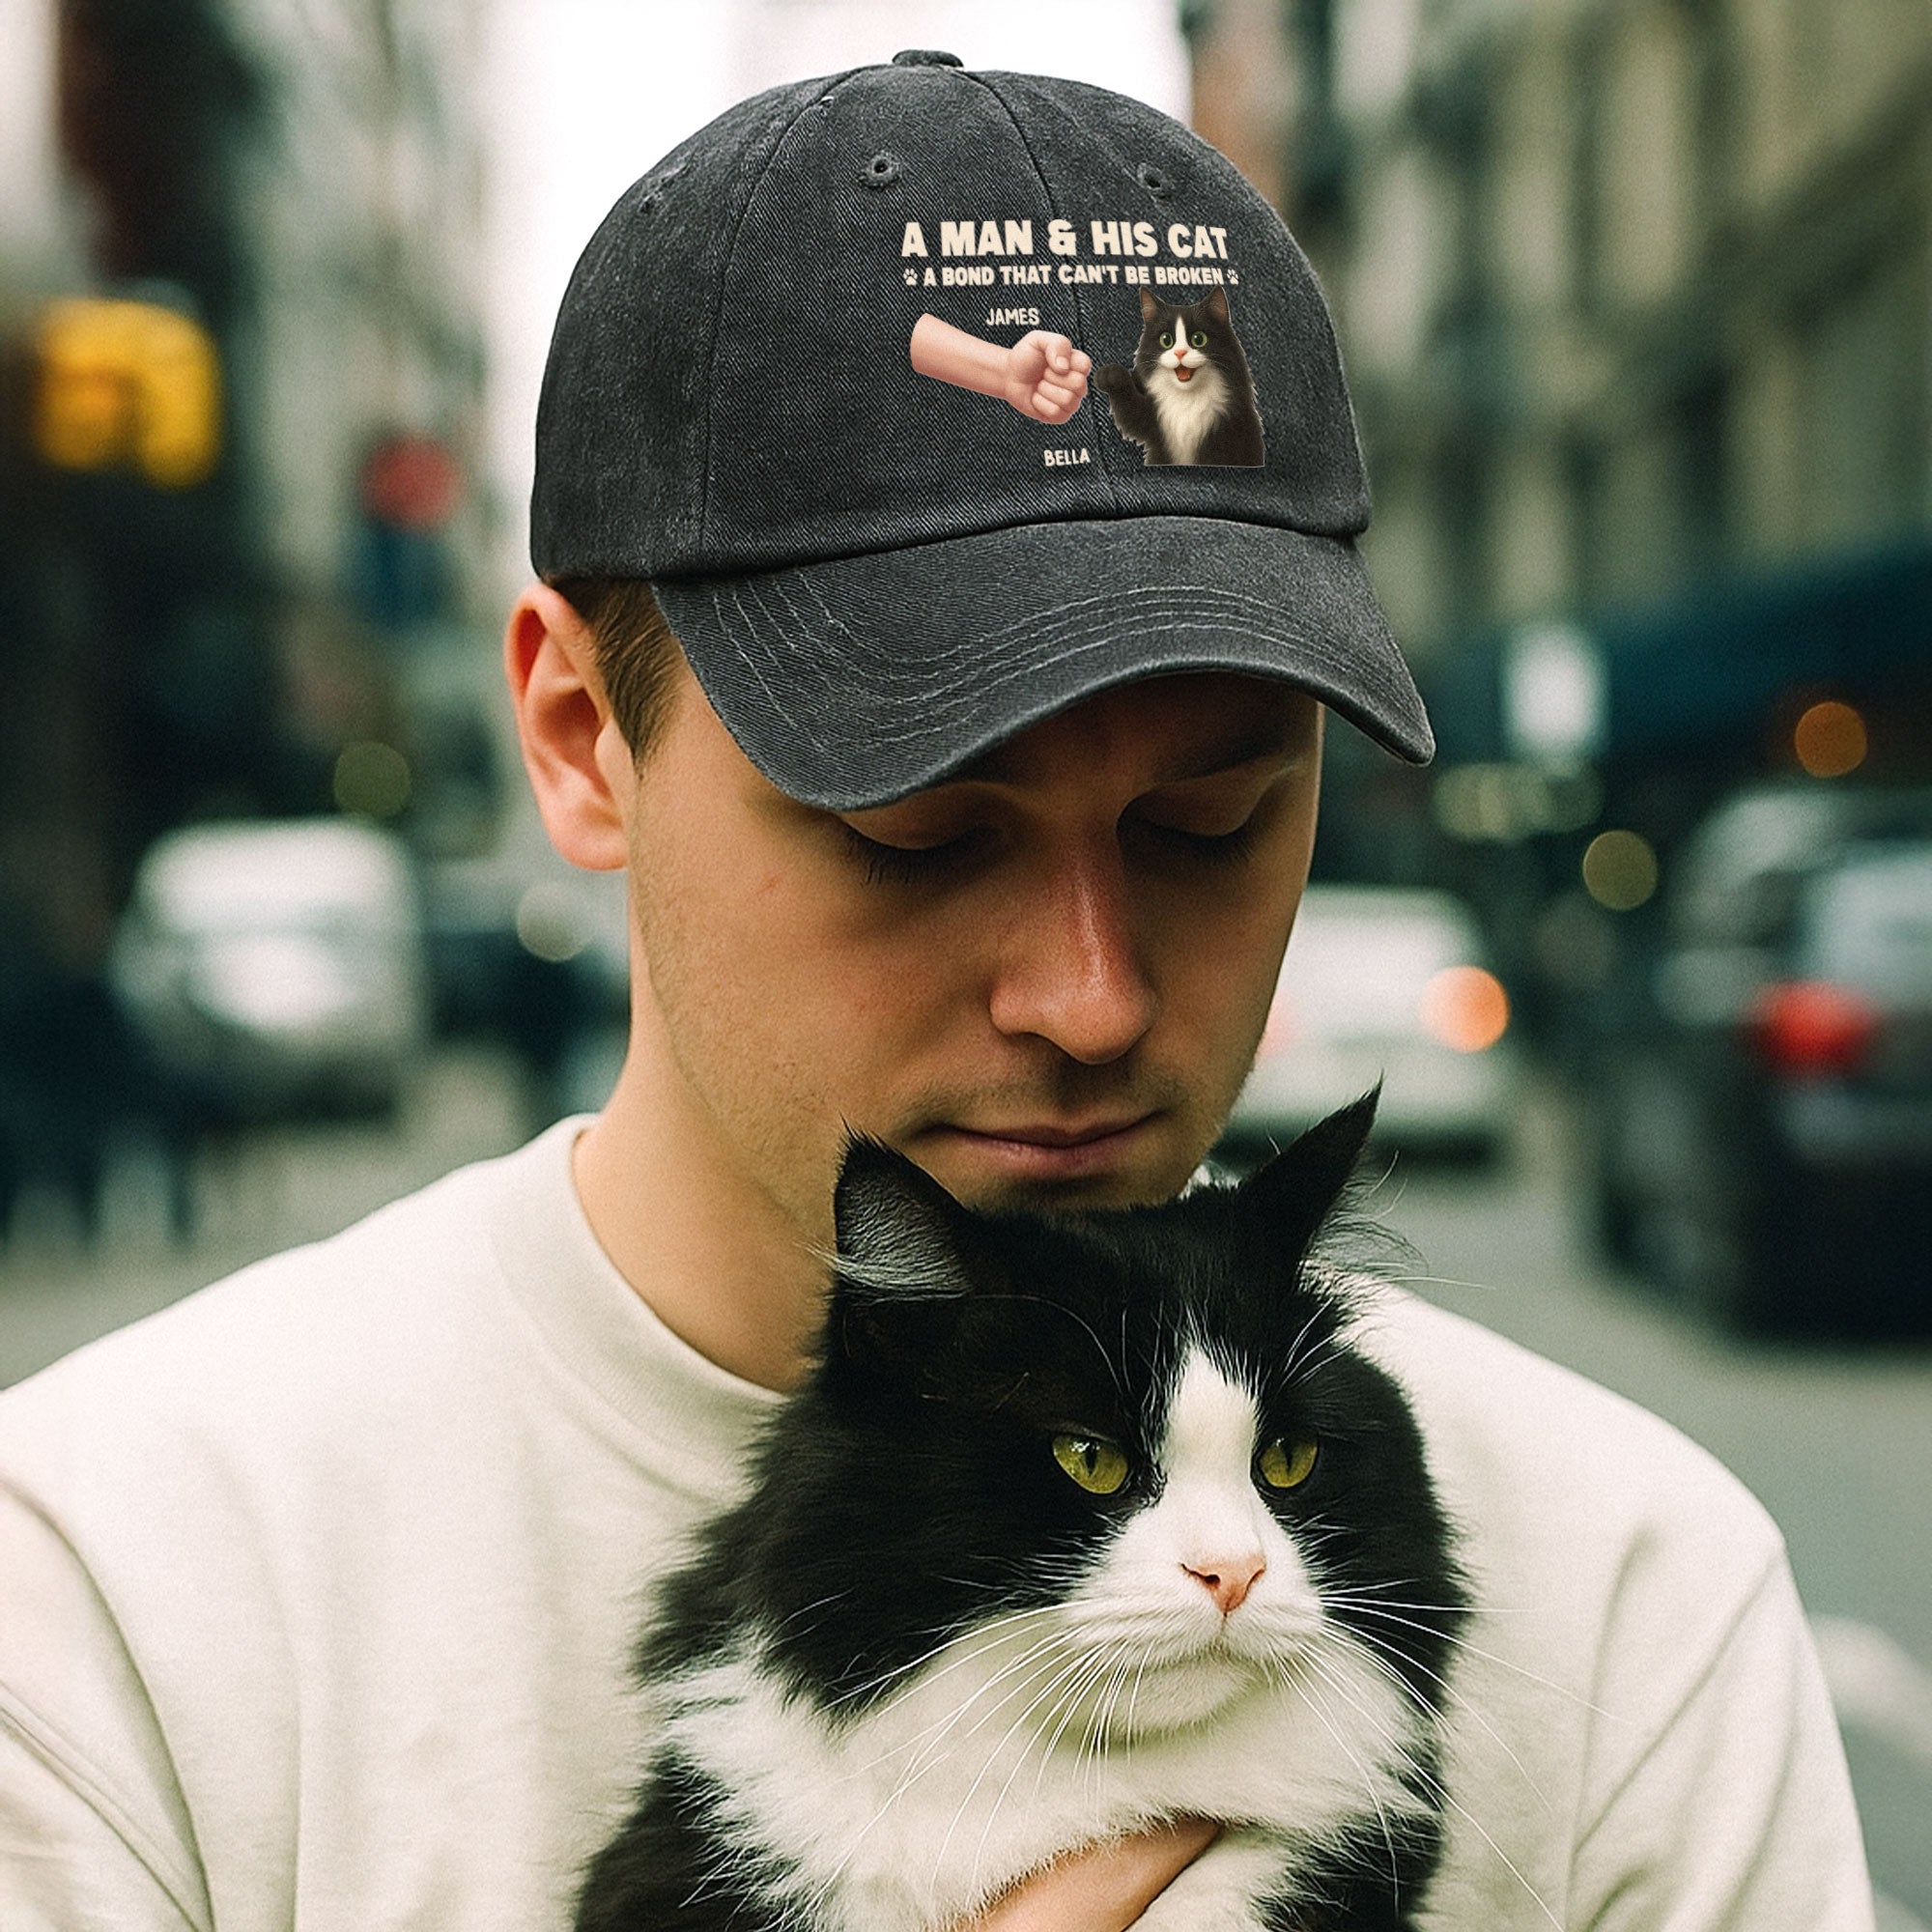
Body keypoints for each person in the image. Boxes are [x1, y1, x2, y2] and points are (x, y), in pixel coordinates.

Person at [0, 51, 1873, 1932]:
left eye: (1210, 823)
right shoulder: (121, 1592)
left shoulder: (1638, 1602)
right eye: (913, 833)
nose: (1090, 997)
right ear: (582, 738)